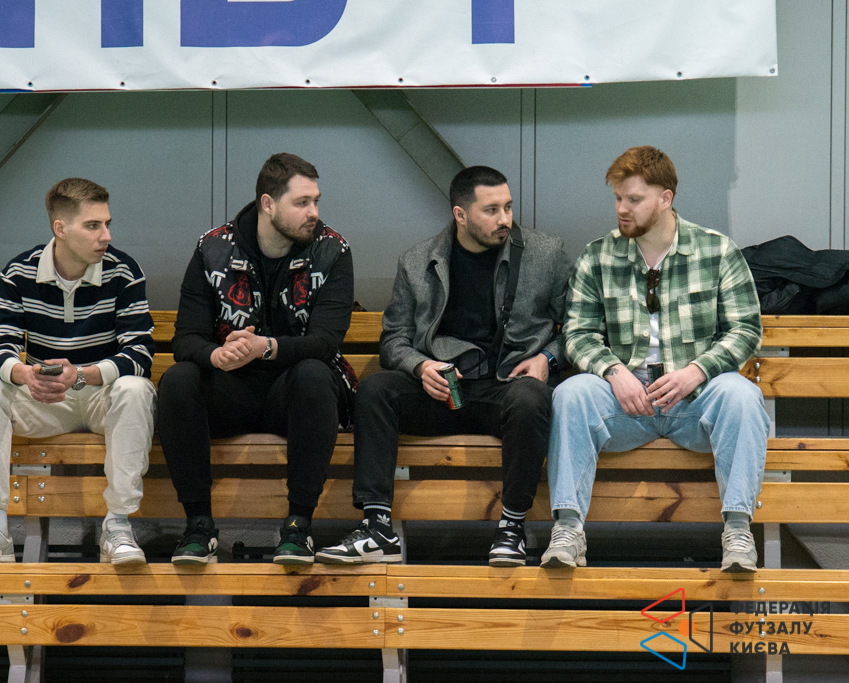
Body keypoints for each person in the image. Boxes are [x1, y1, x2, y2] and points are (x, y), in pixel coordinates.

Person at [317, 166, 572, 566]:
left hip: (507, 388)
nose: (505, 219)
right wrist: (420, 367)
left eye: (508, 207)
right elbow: (394, 340)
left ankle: (511, 528)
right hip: (443, 392)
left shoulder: (546, 254)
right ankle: (376, 527)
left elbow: (579, 327)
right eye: (491, 210)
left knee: (531, 397)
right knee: (376, 390)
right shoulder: (417, 261)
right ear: (460, 214)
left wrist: (547, 358)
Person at [541, 146, 768, 573]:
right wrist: (613, 372)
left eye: (633, 199)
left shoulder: (717, 250)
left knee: (742, 395)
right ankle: (568, 529)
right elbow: (577, 334)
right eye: (617, 198)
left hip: (693, 401)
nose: (621, 209)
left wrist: (696, 372)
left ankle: (738, 531)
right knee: (571, 393)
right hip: (625, 403)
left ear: (666, 198)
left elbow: (746, 330)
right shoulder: (598, 255)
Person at [0, 178, 156, 566]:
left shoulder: (124, 271)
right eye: (93, 226)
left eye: (107, 224)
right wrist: (25, 375)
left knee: (136, 389)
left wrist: (83, 375)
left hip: (100, 397)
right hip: (45, 399)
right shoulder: (19, 272)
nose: (106, 236)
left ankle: (118, 526)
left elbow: (140, 354)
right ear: (61, 228)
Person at [158, 153, 355, 566]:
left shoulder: (332, 250)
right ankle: (198, 527)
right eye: (302, 202)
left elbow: (325, 342)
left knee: (315, 374)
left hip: (295, 394)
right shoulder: (213, 248)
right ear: (268, 203)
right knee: (178, 379)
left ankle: (298, 528)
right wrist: (217, 354)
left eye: (316, 201)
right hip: (232, 389)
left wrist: (266, 347)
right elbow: (186, 339)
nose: (314, 213)